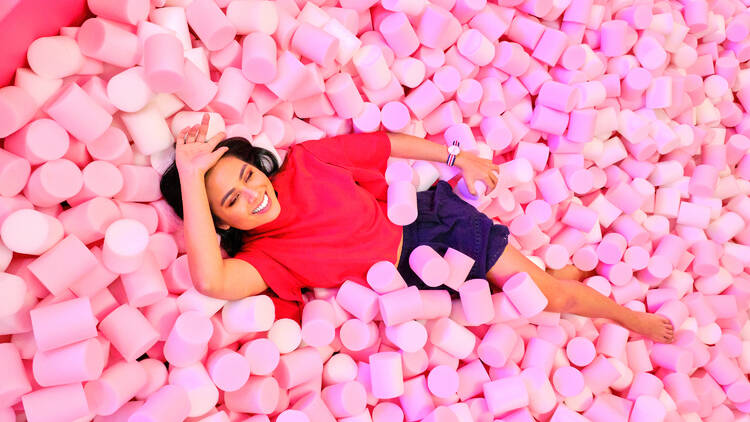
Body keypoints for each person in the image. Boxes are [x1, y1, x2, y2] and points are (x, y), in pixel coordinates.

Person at [160, 113, 674, 344]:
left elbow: (383, 144)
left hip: (435, 228)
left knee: (548, 299)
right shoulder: (264, 256)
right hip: (414, 286)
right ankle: (557, 273)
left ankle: (631, 319)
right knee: (510, 300)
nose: (255, 194)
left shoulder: (307, 162)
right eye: (233, 200)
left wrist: (459, 156)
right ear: (220, 221)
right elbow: (210, 281)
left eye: (249, 176)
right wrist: (188, 174)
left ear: (259, 165)